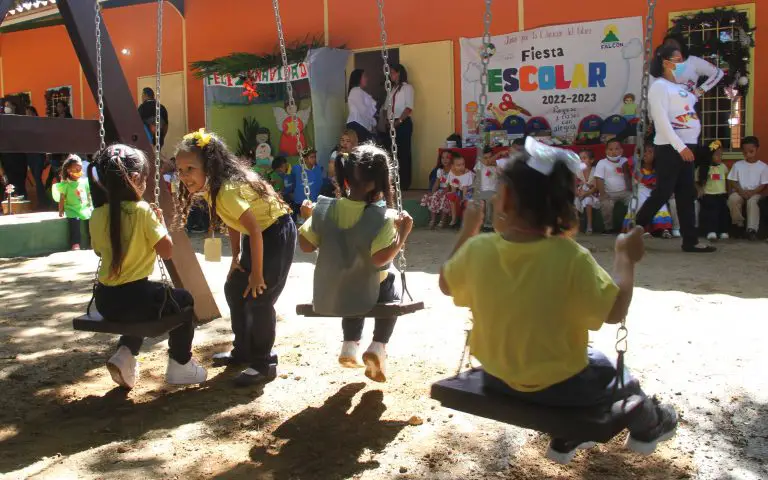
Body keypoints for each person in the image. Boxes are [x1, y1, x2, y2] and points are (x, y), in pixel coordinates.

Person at [439, 138, 678, 465]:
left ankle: (570, 434)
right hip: (564, 387)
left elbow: (445, 284)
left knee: (586, 356)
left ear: (506, 198)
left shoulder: (478, 249)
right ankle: (649, 424)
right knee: (620, 377)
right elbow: (614, 312)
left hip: (496, 378)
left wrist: (467, 232)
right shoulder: (571, 257)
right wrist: (625, 259)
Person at [174, 129, 296, 387]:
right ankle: (243, 351)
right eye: (180, 169)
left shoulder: (227, 189)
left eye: (190, 169)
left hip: (275, 231)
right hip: (258, 233)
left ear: (208, 166)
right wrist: (236, 256)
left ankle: (262, 363)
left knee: (258, 296)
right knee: (235, 288)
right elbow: (233, 220)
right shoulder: (212, 187)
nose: (184, 176)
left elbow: (253, 228)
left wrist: (257, 273)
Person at [88, 144, 206, 389]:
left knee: (148, 302)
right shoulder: (142, 211)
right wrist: (160, 223)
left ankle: (124, 355)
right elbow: (167, 250)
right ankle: (181, 365)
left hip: (105, 301)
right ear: (134, 179)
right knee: (183, 300)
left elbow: (100, 251)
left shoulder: (98, 214)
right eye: (143, 178)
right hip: (136, 299)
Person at [298, 144, 414, 383]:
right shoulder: (384, 217)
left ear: (346, 179)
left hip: (338, 288)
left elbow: (307, 246)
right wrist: (403, 235)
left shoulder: (323, 209)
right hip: (372, 290)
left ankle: (350, 344)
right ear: (380, 183)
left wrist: (309, 218)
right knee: (387, 284)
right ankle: (378, 346)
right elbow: (379, 259)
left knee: (351, 286)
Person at [638, 44, 715, 253]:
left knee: (685, 194)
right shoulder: (659, 87)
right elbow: (661, 120)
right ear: (666, 62)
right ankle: (633, 229)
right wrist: (680, 147)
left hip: (686, 146)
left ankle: (690, 241)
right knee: (663, 192)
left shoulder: (681, 87)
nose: (682, 64)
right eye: (678, 60)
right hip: (670, 147)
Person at [622, 144, 674, 238]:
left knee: (661, 206)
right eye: (644, 151)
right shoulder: (636, 164)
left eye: (650, 152)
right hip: (640, 190)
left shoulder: (659, 167)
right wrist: (628, 182)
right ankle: (641, 230)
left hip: (655, 191)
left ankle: (663, 230)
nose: (646, 154)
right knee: (638, 205)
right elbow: (625, 165)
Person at [727, 136, 767, 241]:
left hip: (755, 193)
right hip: (740, 191)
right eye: (745, 152)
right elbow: (732, 180)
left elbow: (763, 184)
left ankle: (751, 229)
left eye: (751, 151)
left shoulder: (763, 167)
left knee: (752, 202)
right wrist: (741, 191)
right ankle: (738, 223)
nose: (748, 154)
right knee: (733, 199)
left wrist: (752, 192)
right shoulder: (738, 165)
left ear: (757, 149)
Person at [660, 34, 725, 99]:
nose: (670, 48)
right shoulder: (660, 64)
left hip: (685, 104)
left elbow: (718, 73)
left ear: (680, 45)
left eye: (673, 44)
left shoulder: (693, 61)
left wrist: (698, 92)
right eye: (667, 45)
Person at [382, 64, 414, 190]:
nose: (391, 75)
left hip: (403, 124)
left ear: (399, 73)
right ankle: (393, 184)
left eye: (393, 72)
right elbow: (386, 107)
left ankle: (404, 184)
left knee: (403, 154)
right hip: (391, 124)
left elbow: (408, 108)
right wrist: (386, 120)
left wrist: (398, 121)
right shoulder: (392, 88)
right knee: (391, 153)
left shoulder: (407, 88)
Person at [53, 155, 93, 250]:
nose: (79, 171)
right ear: (68, 171)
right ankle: (75, 243)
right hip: (72, 209)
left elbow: (88, 193)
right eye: (76, 169)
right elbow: (62, 198)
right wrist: (61, 210)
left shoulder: (84, 182)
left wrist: (90, 203)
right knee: (74, 224)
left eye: (80, 169)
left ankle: (92, 241)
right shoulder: (65, 185)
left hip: (84, 208)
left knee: (91, 224)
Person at [594, 139, 631, 234]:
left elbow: (629, 176)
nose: (613, 152)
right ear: (606, 151)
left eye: (616, 149)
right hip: (609, 193)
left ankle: (631, 226)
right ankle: (608, 228)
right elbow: (599, 179)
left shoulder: (625, 161)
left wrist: (631, 190)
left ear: (621, 151)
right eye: (610, 149)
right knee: (606, 205)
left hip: (625, 192)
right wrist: (602, 194)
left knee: (634, 202)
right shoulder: (602, 163)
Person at [697, 140, 731, 241]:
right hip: (709, 195)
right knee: (712, 212)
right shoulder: (704, 168)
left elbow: (727, 179)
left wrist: (729, 191)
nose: (719, 157)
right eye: (717, 155)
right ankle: (711, 231)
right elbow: (696, 181)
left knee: (723, 212)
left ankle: (723, 231)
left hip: (721, 194)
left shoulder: (723, 167)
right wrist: (699, 190)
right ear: (710, 156)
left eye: (721, 155)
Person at [23, 106, 50, 209]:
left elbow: (44, 141)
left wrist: (47, 155)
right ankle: (44, 201)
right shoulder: (25, 126)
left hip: (38, 156)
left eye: (29, 112)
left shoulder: (39, 124)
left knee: (38, 179)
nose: (27, 115)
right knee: (36, 179)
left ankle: (42, 203)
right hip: (30, 156)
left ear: (34, 113)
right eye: (26, 113)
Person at [287, 149, 323, 222]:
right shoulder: (296, 169)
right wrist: (290, 193)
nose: (314, 159)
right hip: (300, 202)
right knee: (301, 223)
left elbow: (320, 183)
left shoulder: (318, 168)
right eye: (311, 157)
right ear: (305, 159)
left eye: (315, 157)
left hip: (314, 201)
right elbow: (291, 181)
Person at [421, 150, 453, 229]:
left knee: (444, 199)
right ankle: (433, 220)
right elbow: (437, 183)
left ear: (451, 159)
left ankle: (442, 221)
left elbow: (450, 186)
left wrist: (443, 193)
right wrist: (433, 192)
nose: (445, 160)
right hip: (441, 189)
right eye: (442, 158)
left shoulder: (453, 170)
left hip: (450, 190)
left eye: (447, 158)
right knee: (434, 197)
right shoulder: (440, 170)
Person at [346, 69, 377, 144]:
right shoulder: (356, 91)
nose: (367, 79)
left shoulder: (359, 92)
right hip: (358, 125)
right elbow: (363, 111)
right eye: (365, 76)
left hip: (360, 125)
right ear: (358, 78)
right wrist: (373, 122)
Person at [474, 146, 501, 231]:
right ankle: (481, 224)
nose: (488, 160)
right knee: (482, 203)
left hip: (493, 190)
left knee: (490, 202)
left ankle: (488, 225)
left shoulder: (497, 166)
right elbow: (485, 163)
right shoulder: (480, 164)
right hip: (481, 190)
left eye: (490, 157)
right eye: (485, 157)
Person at [446, 153, 474, 227]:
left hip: (470, 190)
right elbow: (453, 188)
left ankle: (465, 221)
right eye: (458, 165)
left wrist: (463, 199)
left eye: (463, 164)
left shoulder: (467, 174)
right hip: (460, 190)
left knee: (466, 201)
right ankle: (454, 218)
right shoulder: (451, 173)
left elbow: (465, 188)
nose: (462, 167)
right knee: (452, 198)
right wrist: (453, 196)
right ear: (452, 166)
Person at [576, 150, 600, 234]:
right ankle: (576, 226)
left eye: (584, 158)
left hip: (592, 195)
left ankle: (589, 226)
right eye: (580, 158)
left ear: (591, 160)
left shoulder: (595, 171)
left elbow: (596, 187)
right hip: (580, 194)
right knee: (574, 202)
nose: (581, 160)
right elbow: (576, 184)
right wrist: (579, 192)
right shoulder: (577, 171)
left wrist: (585, 194)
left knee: (588, 200)